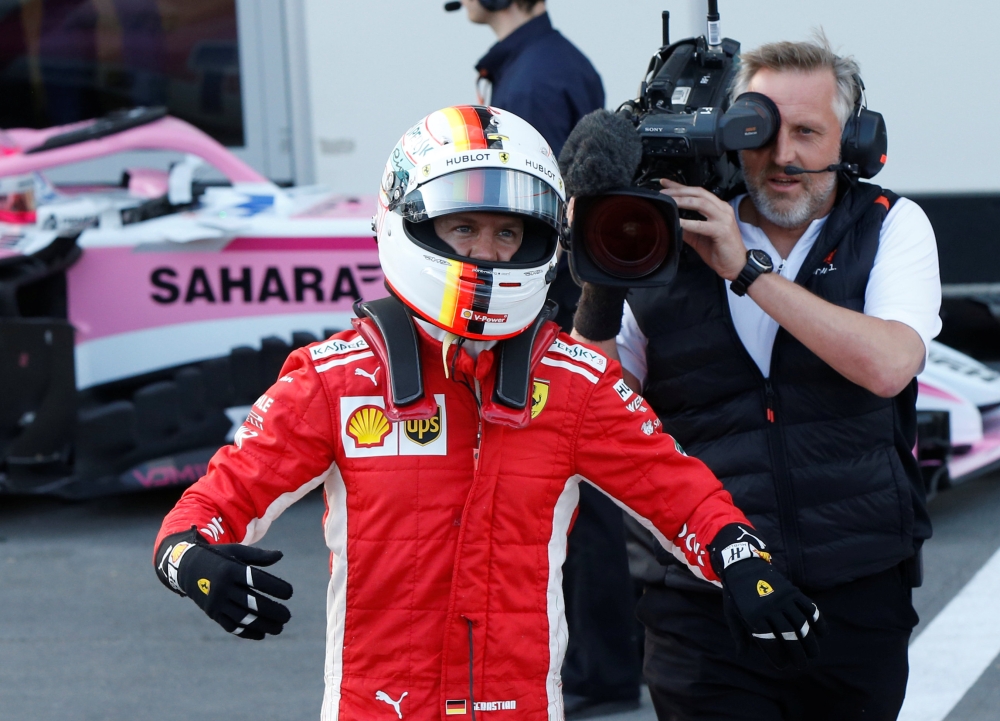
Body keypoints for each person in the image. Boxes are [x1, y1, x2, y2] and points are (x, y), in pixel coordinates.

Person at [152, 106, 823, 721]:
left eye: (508, 231)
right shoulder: (335, 378)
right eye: (463, 226)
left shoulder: (575, 381)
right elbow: (206, 508)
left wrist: (739, 555)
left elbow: (678, 489)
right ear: (409, 221)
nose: (488, 251)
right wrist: (193, 560)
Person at [572, 36, 941, 721]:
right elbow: (586, 408)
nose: (783, 157)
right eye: (762, 130)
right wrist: (600, 277)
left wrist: (745, 270)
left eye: (808, 132)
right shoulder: (664, 233)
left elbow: (889, 364)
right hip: (700, 602)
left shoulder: (891, 226)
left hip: (857, 590)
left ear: (855, 141)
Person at [454, 3, 635, 714]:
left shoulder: (530, 82)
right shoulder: (552, 61)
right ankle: (610, 656)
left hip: (539, 311)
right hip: (564, 305)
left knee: (570, 494)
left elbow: (531, 216)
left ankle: (598, 667)